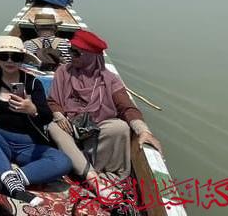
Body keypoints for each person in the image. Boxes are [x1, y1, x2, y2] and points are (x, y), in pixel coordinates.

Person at [47, 30, 162, 197]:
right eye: (70, 50)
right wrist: (58, 114)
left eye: (77, 53)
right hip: (70, 127)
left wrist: (143, 131)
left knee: (120, 126)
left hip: (96, 128)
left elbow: (126, 107)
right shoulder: (63, 72)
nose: (72, 56)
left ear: (91, 57)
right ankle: (92, 178)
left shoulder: (110, 79)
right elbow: (53, 101)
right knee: (53, 127)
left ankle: (95, 169)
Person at [0, 36, 71, 204]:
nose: (9, 61)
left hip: (29, 145)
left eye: (15, 57)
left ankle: (10, 180)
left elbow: (46, 116)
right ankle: (15, 187)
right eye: (4, 56)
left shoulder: (33, 83)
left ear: (22, 59)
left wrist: (32, 110)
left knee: (63, 162)